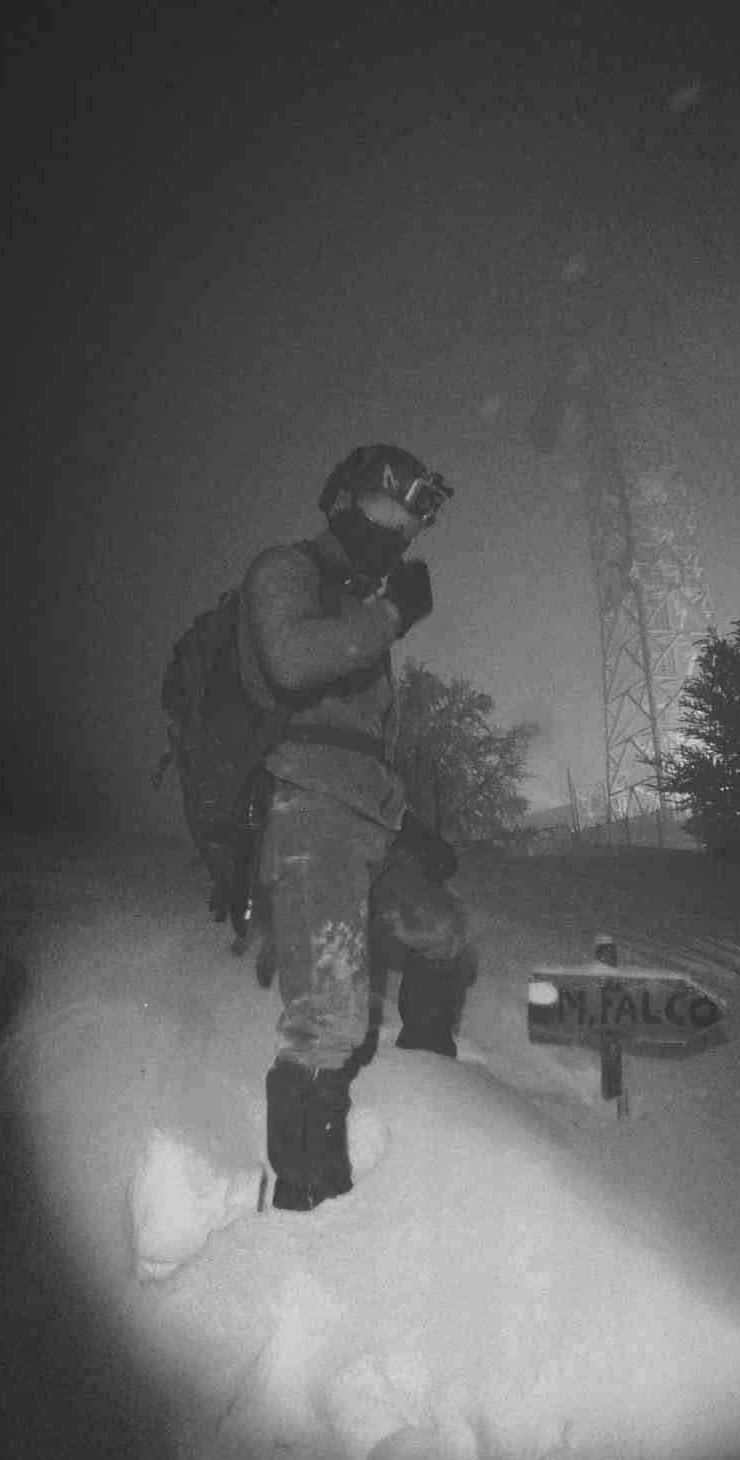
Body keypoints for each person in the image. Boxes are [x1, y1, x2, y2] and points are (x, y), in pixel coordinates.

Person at [238, 444, 470, 1212]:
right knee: (329, 1016)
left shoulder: (359, 604)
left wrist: (410, 824)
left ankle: (433, 1090)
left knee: (442, 930)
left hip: (372, 815)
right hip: (308, 809)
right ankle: (308, 1202)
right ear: (343, 500)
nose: (399, 534)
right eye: (387, 514)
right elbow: (291, 662)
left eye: (409, 527)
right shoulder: (287, 569)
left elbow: (362, 744)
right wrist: (390, 615)